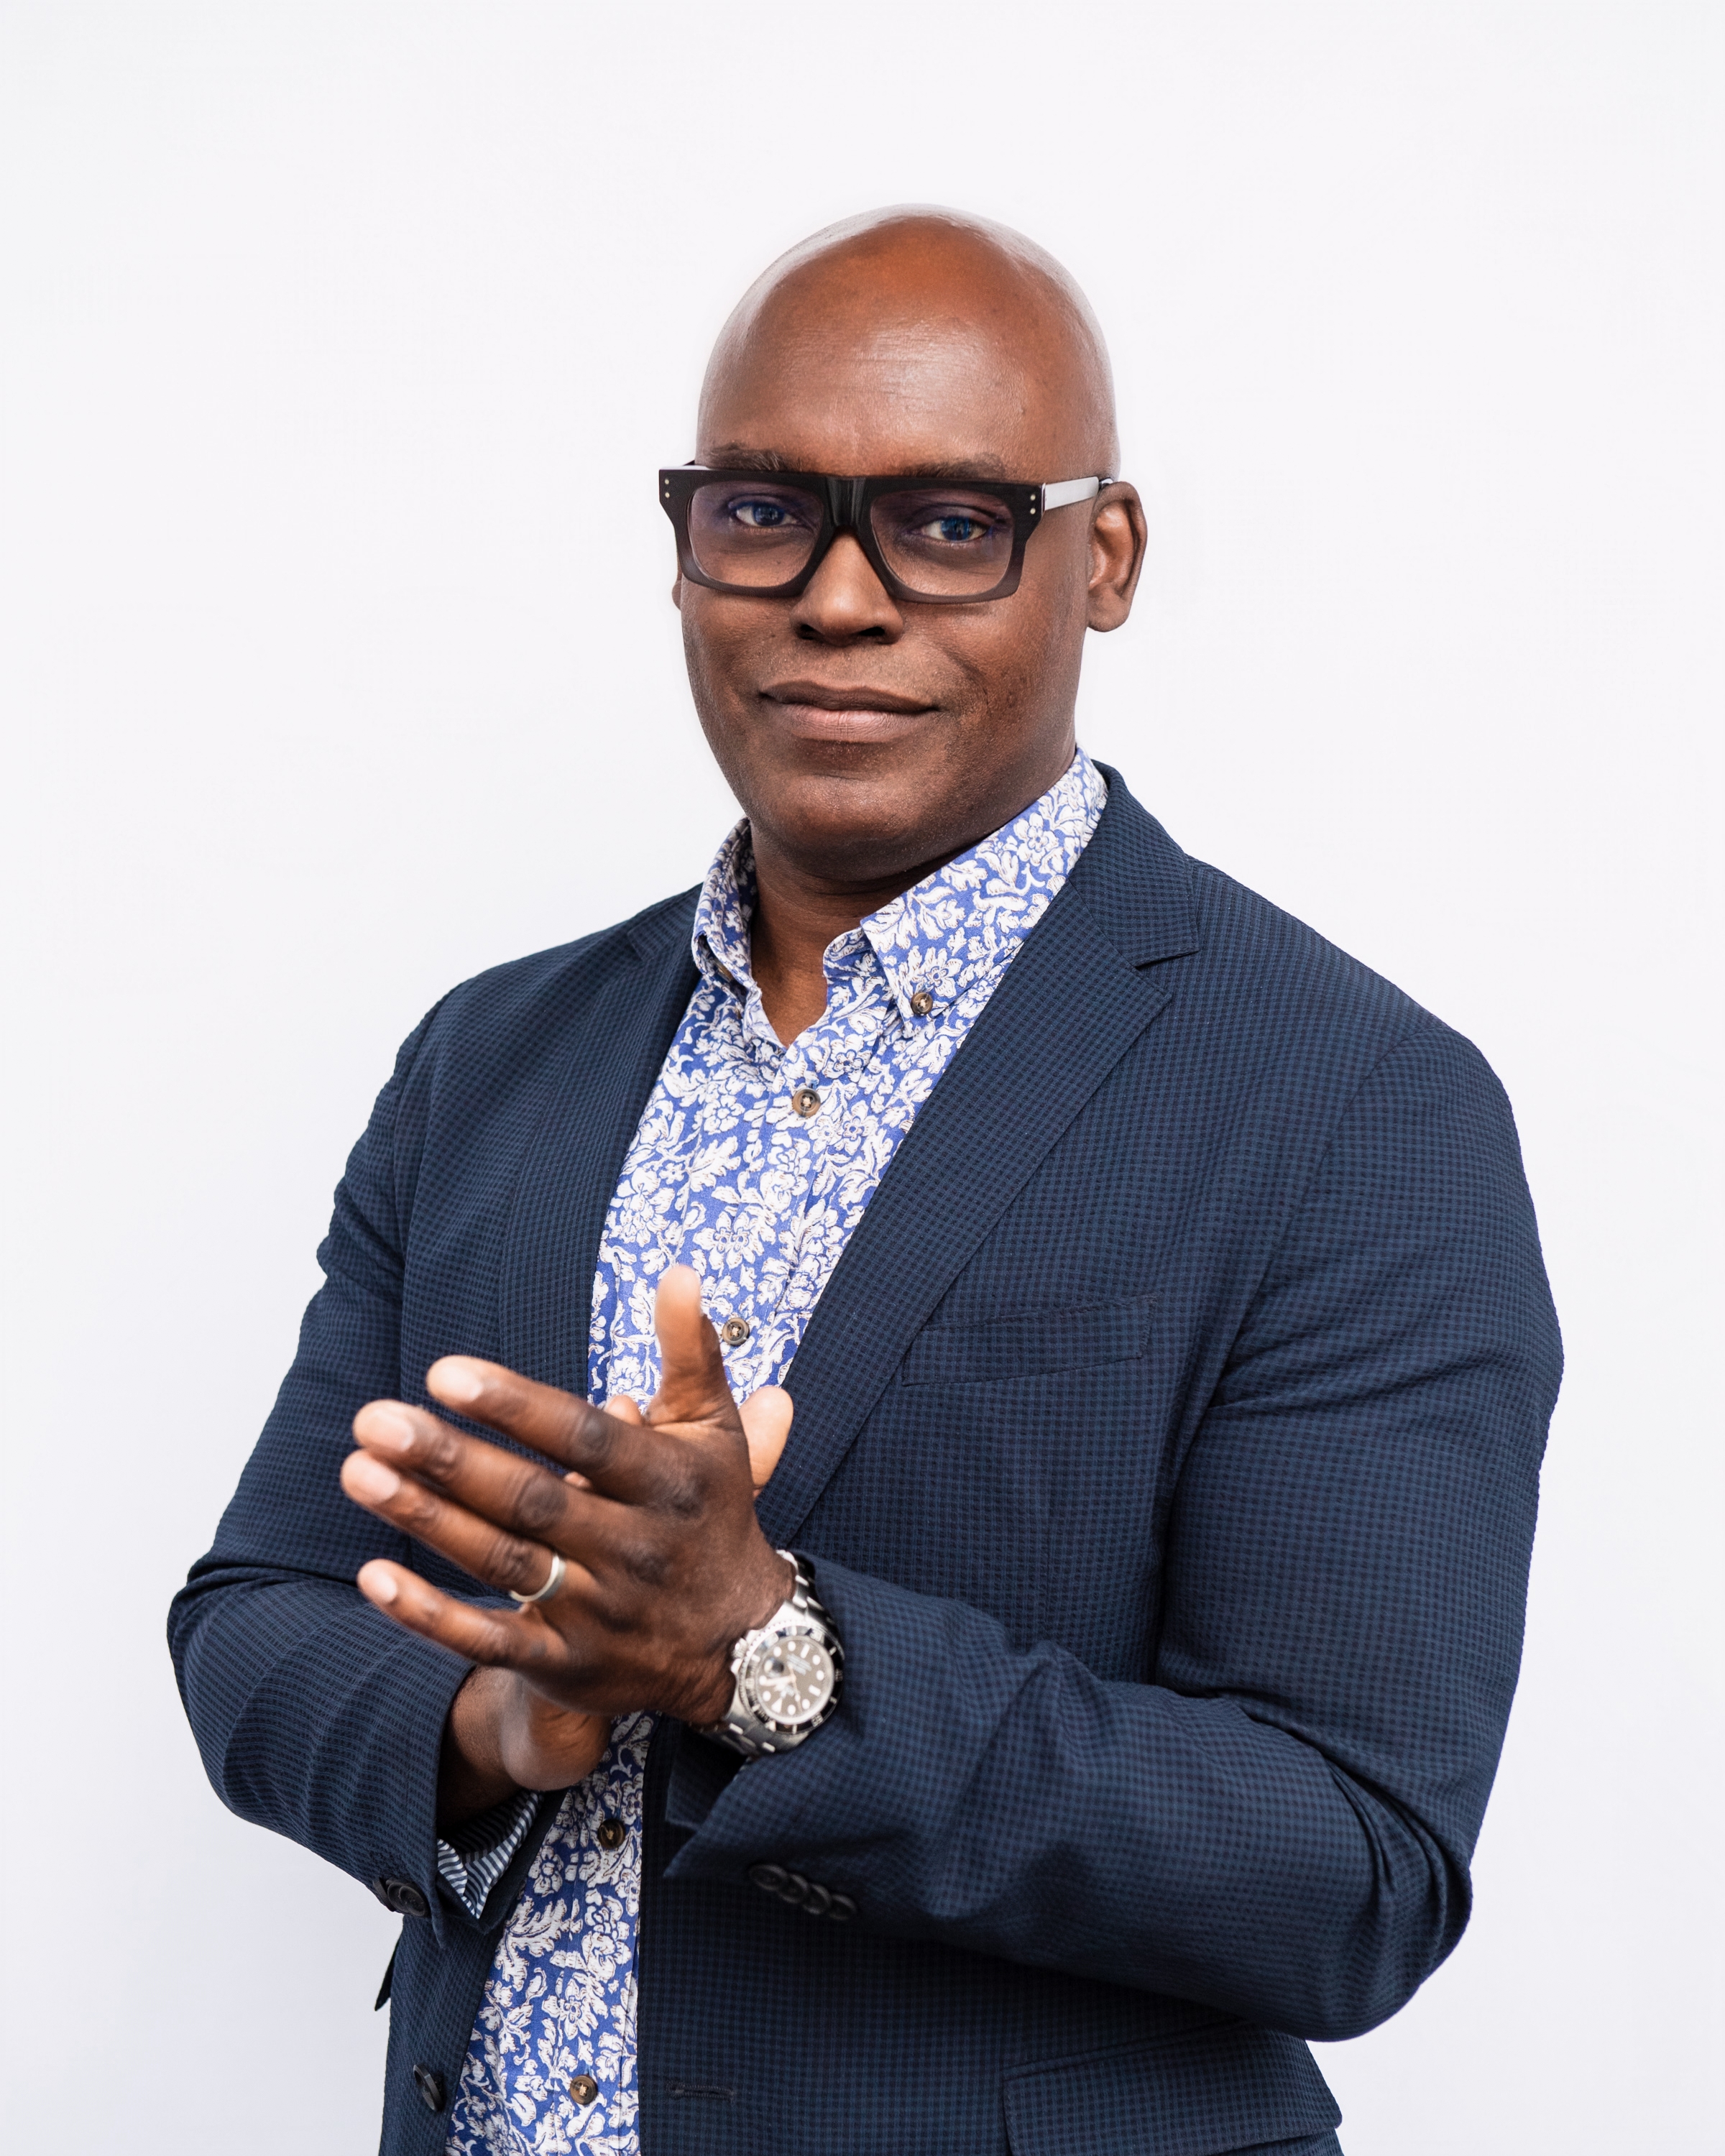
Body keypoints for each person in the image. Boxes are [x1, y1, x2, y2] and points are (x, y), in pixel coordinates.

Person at [170, 208, 1561, 2156]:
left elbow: (1353, 1870)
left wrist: (768, 1658)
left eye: (950, 523)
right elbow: (258, 1616)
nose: (837, 598)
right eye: (764, 513)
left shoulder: (1351, 1107)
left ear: (1106, 558)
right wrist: (500, 1724)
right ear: (684, 545)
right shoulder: (493, 1062)